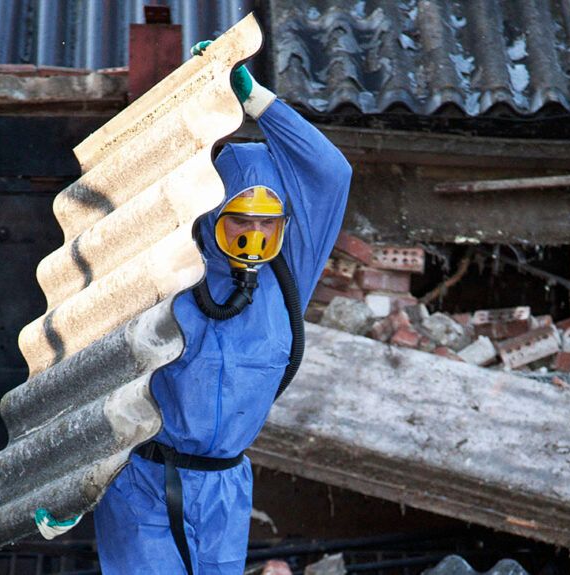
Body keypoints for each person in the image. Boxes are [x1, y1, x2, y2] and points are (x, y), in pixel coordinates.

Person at [35, 40, 352, 574]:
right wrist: (69, 483)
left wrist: (258, 102)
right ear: (210, 215)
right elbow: (92, 366)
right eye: (240, 223)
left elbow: (331, 174)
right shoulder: (166, 266)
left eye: (265, 226)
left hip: (226, 487)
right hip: (141, 480)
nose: (253, 239)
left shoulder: (290, 270)